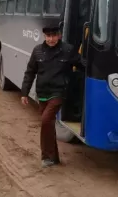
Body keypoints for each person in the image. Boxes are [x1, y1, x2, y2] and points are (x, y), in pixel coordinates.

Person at [20, 24, 81, 168]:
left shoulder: (67, 50)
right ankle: (54, 158)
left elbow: (81, 64)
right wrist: (24, 92)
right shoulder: (38, 51)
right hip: (42, 92)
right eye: (48, 36)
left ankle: (46, 157)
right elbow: (30, 72)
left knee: (46, 120)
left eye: (54, 36)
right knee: (49, 125)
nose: (51, 39)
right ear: (44, 36)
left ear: (59, 35)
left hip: (58, 92)